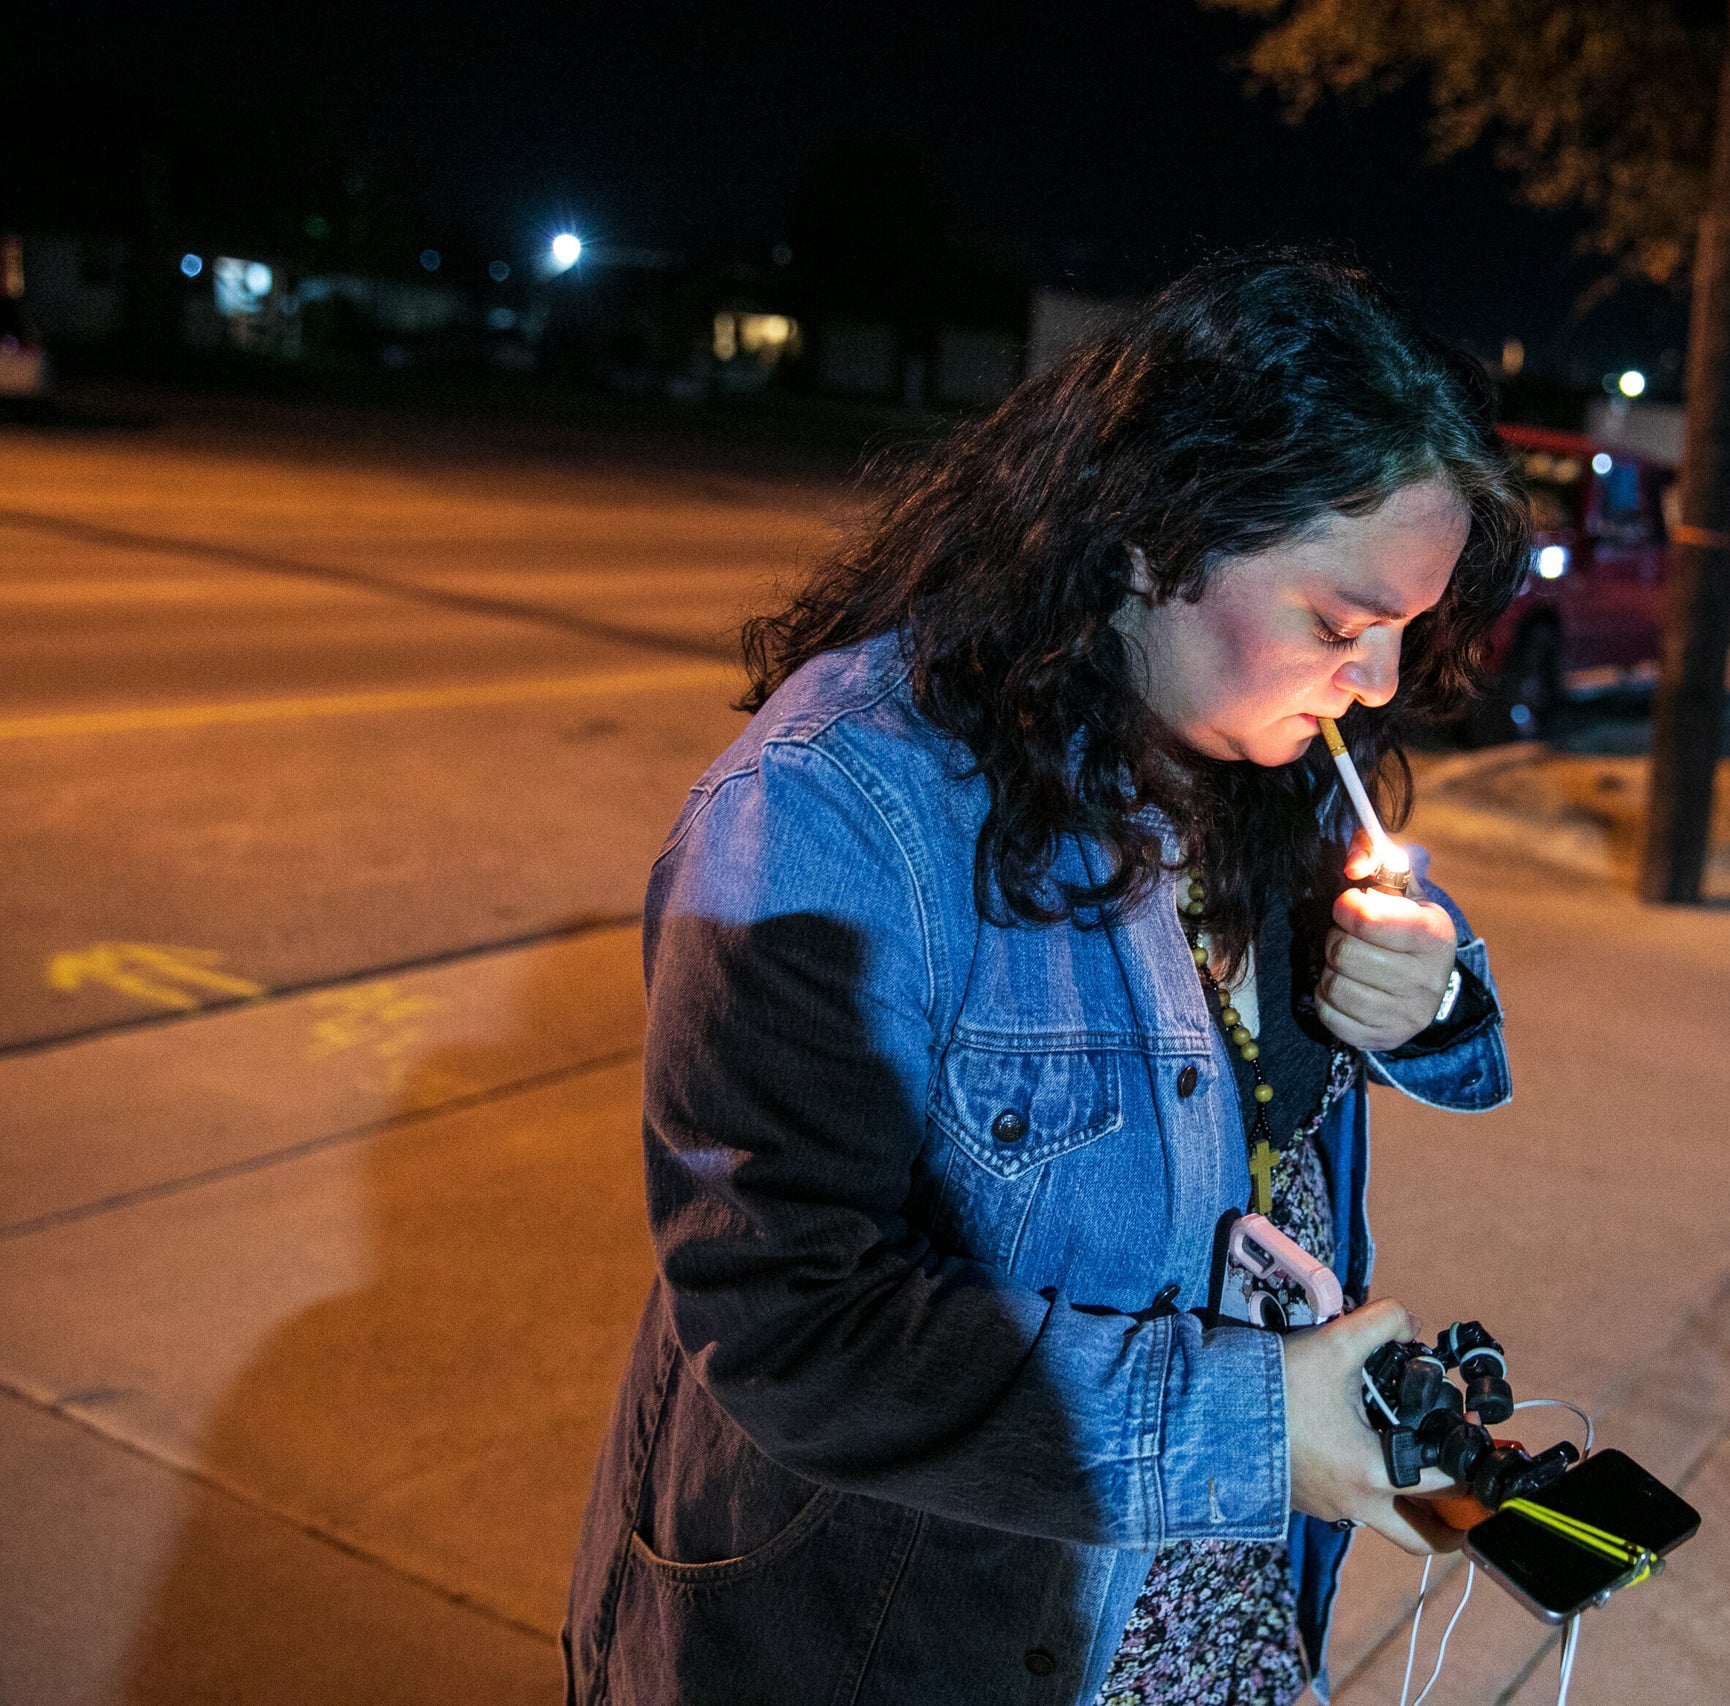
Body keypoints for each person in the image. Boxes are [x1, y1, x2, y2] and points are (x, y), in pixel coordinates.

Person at [561, 256, 1528, 1705]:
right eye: (1342, 622)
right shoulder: (838, 809)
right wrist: (1260, 1426)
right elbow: (789, 1322)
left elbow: (1403, 1007)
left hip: (1215, 1603)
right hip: (921, 1633)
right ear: (1155, 535)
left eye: (1409, 624)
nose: (1381, 680)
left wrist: (1435, 1001)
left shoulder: (1265, 766)